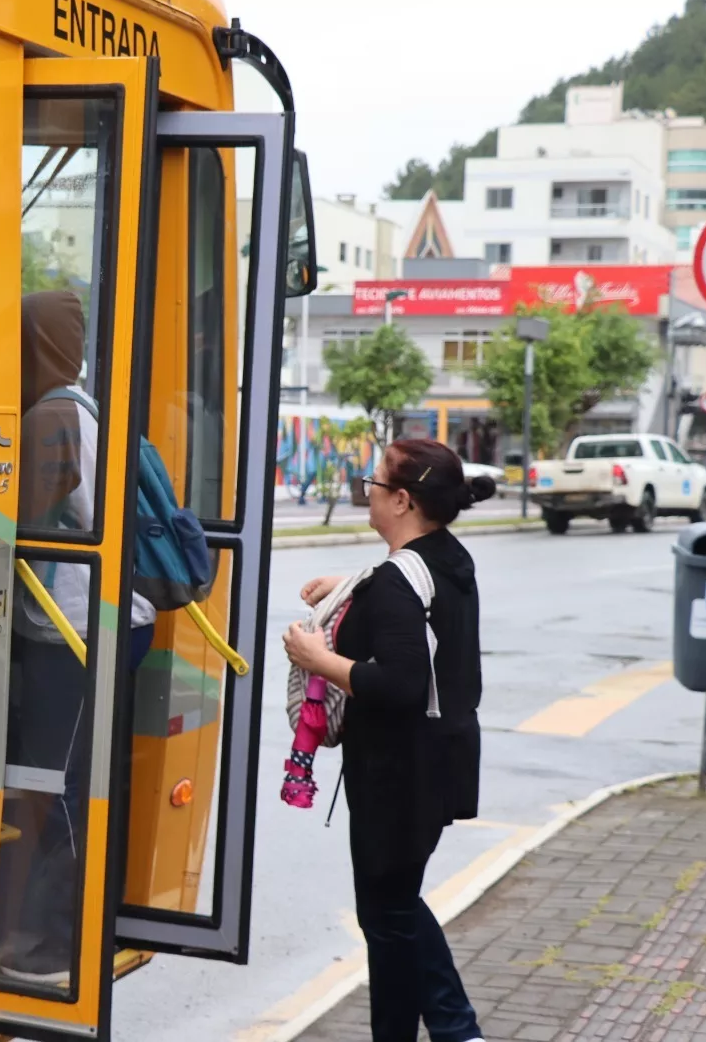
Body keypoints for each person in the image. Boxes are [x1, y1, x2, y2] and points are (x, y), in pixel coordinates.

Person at [282, 438, 492, 1042]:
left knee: (389, 912)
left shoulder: (401, 583)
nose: (367, 492)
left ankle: (457, 1031)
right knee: (392, 908)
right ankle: (444, 1031)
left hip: (398, 768)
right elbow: (414, 584)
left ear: (401, 500)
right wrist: (352, 585)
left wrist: (317, 659)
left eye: (374, 484)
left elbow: (400, 683)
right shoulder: (447, 557)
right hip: (440, 756)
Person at [0, 289, 157, 986]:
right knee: (54, 780)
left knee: (58, 787)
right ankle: (47, 931)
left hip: (85, 629)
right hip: (83, 625)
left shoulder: (54, 416)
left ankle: (56, 946)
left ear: (33, 344)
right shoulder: (77, 405)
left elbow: (13, 514)